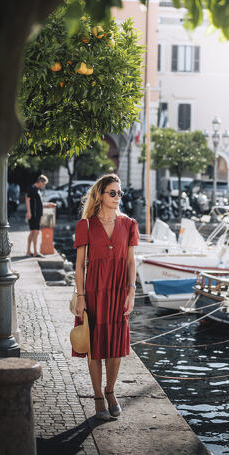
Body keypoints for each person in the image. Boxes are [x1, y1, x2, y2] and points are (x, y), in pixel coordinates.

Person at [73, 173, 139, 420]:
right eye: (112, 193)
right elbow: (79, 265)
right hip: (93, 292)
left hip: (119, 291)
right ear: (99, 196)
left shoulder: (129, 224)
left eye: (119, 193)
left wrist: (132, 290)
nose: (117, 197)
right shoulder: (86, 225)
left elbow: (131, 261)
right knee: (95, 345)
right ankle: (97, 395)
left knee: (115, 346)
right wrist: (80, 296)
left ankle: (111, 391)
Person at [25, 174, 52, 256]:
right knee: (35, 232)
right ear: (40, 182)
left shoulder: (37, 190)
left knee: (33, 232)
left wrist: (46, 204)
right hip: (34, 214)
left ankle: (29, 251)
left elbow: (37, 203)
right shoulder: (33, 188)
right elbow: (27, 199)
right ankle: (35, 252)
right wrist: (29, 212)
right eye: (44, 184)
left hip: (37, 214)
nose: (44, 186)